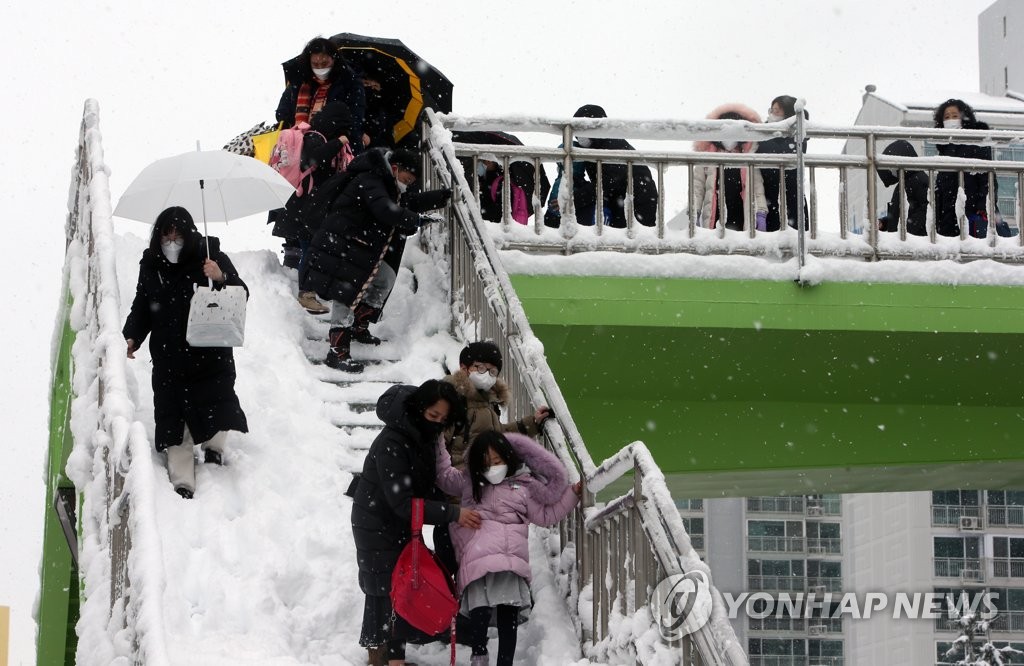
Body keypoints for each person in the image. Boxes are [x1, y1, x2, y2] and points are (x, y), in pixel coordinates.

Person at [122, 207, 249, 499]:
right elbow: (142, 304)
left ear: (189, 235)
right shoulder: (151, 264)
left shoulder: (209, 254)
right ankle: (183, 481)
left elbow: (241, 293)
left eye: (178, 237)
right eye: (166, 237)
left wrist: (221, 276)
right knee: (173, 417)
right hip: (168, 358)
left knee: (216, 402)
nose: (172, 243)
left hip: (210, 352)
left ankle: (214, 447)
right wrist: (132, 336)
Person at [350, 380, 479, 666]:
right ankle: (379, 656)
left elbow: (421, 482)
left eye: (443, 420)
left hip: (401, 520)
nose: (437, 424)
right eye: (433, 416)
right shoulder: (392, 442)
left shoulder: (422, 434)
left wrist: (454, 502)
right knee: (382, 587)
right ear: (419, 408)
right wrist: (451, 513)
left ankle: (395, 657)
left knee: (403, 584)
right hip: (376, 520)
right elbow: (402, 502)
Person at [435, 430, 582, 666]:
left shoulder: (524, 486)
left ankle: (504, 661)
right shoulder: (470, 482)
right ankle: (479, 654)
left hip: (509, 558)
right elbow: (443, 476)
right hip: (478, 555)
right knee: (479, 609)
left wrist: (572, 495)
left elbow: (546, 515)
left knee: (507, 614)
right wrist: (438, 441)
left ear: (508, 457)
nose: (492, 468)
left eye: (497, 461)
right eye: (485, 464)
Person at [300, 148, 451, 371]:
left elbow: (404, 201)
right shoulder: (370, 178)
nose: (406, 185)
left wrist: (439, 198)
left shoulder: (385, 181)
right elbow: (386, 210)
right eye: (406, 180)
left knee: (385, 279)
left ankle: (358, 327)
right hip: (345, 242)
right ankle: (337, 351)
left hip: (358, 245)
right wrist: (417, 220)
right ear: (395, 168)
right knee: (346, 293)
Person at [433, 341, 552, 574]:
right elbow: (437, 445)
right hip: (457, 495)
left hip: (478, 491)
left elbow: (497, 438)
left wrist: (530, 424)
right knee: (454, 554)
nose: (486, 374)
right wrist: (451, 483)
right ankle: (452, 600)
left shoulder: (486, 402)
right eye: (480, 367)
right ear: (464, 367)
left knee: (474, 554)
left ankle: (471, 598)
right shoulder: (451, 401)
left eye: (492, 370)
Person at [270, 101, 355, 314]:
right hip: (304, 206)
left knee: (314, 248)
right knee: (309, 249)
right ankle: (306, 294)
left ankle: (311, 291)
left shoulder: (320, 136)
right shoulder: (314, 137)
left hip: (310, 206)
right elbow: (314, 158)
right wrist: (338, 141)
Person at [546, 104, 659, 229]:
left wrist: (573, 200)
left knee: (629, 240)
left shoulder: (611, 145)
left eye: (583, 129)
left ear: (596, 128)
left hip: (637, 205)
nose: (579, 136)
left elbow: (607, 183)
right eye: (577, 131)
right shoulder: (596, 147)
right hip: (623, 203)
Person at [691, 104, 768, 231]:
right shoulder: (707, 156)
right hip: (713, 217)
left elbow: (757, 187)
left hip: (740, 216)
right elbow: (697, 187)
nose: (729, 138)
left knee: (738, 246)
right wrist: (695, 211)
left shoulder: (747, 157)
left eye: (734, 133)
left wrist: (761, 212)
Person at [932, 98, 993, 238]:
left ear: (964, 117)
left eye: (955, 116)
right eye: (946, 117)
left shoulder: (976, 140)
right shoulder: (945, 147)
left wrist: (983, 207)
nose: (951, 120)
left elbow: (987, 178)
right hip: (947, 213)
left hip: (970, 211)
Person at [756, 95, 809, 231]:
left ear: (788, 113)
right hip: (768, 187)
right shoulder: (763, 131)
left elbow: (790, 150)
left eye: (777, 110)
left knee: (795, 223)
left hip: (791, 187)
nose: (773, 113)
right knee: (771, 226)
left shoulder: (798, 131)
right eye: (772, 109)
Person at [877, 140, 929, 237]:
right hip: (905, 240)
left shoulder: (918, 180)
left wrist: (907, 230)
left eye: (892, 166)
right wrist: (884, 223)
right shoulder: (905, 182)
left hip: (913, 241)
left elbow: (926, 210)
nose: (892, 170)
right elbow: (897, 214)